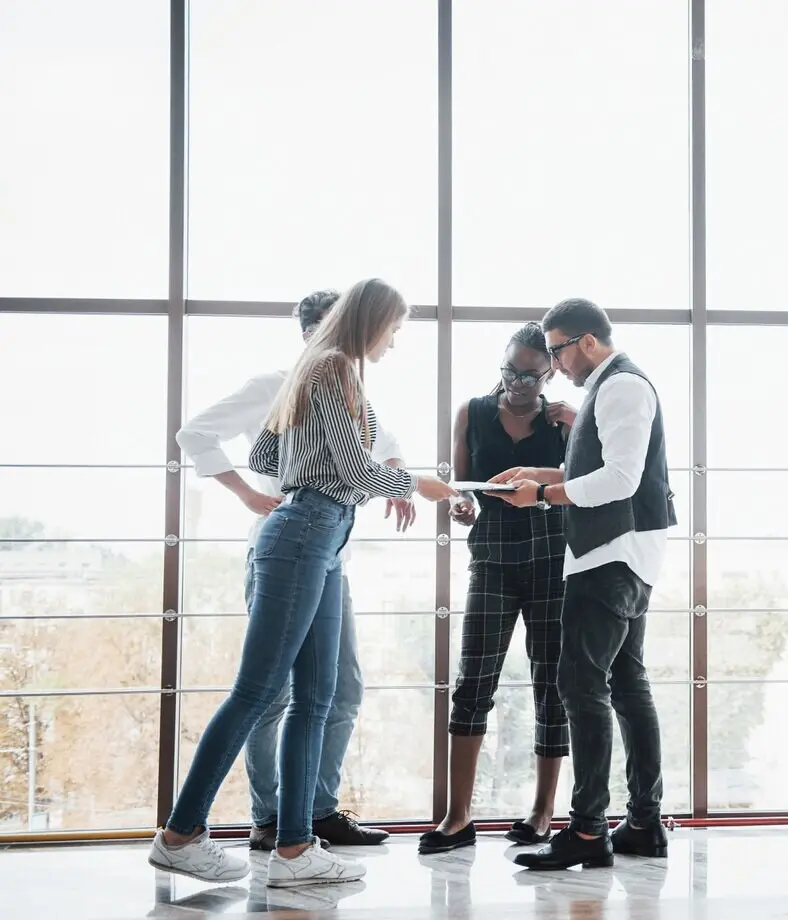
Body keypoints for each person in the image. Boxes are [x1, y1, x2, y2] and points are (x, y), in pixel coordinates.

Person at [149, 278, 458, 887]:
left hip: (320, 535)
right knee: (258, 693)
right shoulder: (334, 368)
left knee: (316, 698)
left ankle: (294, 850)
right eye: (394, 329)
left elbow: (266, 458)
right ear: (371, 320)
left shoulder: (313, 372)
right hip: (304, 533)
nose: (395, 342)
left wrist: (334, 465)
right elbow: (347, 468)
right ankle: (181, 834)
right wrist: (416, 485)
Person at [490, 297, 676, 870]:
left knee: (581, 685)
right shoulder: (612, 386)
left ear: (586, 342)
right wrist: (541, 476)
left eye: (556, 351)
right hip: (624, 553)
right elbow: (601, 472)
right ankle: (643, 823)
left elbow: (620, 480)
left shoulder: (620, 386)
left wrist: (543, 496)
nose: (553, 366)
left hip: (610, 555)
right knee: (625, 684)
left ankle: (589, 832)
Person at [418, 323, 577, 855]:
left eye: (530, 375)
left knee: (551, 683)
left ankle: (541, 812)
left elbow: (588, 483)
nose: (517, 383)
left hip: (553, 557)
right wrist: (459, 506)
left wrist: (573, 430)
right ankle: (457, 816)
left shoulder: (563, 422)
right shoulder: (472, 412)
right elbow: (460, 489)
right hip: (491, 557)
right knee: (474, 680)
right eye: (510, 371)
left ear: (549, 371)